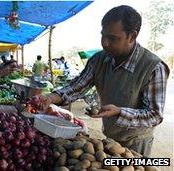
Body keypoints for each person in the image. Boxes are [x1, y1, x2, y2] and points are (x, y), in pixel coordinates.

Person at [39, 5, 169, 157]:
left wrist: (120, 112)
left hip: (137, 143)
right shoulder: (99, 59)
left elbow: (154, 115)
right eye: (103, 35)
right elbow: (77, 87)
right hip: (109, 139)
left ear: (132, 36)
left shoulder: (153, 67)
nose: (105, 43)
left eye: (113, 38)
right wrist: (50, 98)